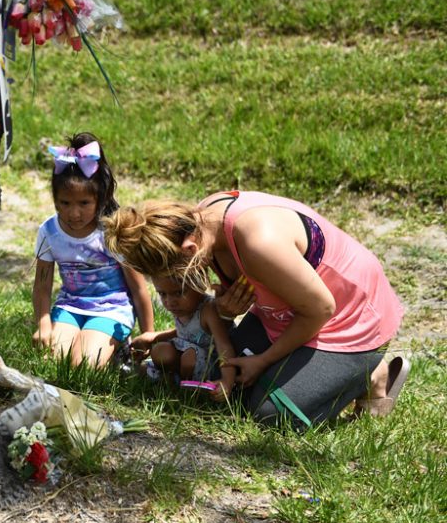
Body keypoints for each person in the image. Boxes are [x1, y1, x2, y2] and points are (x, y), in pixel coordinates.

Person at [103, 191, 406, 429]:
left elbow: (321, 309)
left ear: (189, 251)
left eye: (178, 276)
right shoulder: (203, 221)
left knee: (271, 416)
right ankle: (309, 370)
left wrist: (263, 361)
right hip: (286, 314)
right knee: (223, 383)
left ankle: (369, 372)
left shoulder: (258, 243)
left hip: (348, 319)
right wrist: (214, 314)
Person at [32, 132, 154, 367]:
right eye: (65, 203)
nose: (74, 213)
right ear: (55, 199)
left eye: (84, 203)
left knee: (84, 365)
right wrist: (44, 323)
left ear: (100, 198)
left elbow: (139, 288)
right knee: (56, 362)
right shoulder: (49, 231)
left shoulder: (111, 231)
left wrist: (148, 336)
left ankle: (120, 350)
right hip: (70, 306)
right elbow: (42, 284)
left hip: (111, 310)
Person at [132, 275, 238, 401]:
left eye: (179, 292)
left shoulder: (208, 310)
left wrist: (227, 381)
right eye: (162, 294)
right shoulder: (183, 308)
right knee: (160, 350)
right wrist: (153, 337)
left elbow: (224, 345)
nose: (170, 302)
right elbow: (183, 332)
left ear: (199, 284)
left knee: (189, 356)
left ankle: (190, 390)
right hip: (187, 353)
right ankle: (173, 380)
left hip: (212, 365)